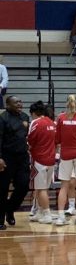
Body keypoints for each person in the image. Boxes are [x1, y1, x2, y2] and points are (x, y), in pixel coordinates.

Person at [54, 94, 76, 225]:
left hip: (65, 153)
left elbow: (57, 139)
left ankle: (61, 217)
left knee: (64, 186)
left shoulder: (61, 117)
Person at [0, 96, 30, 229]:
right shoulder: (3, 118)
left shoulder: (25, 116)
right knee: (2, 189)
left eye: (20, 101)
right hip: (6, 157)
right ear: (8, 105)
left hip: (22, 157)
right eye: (16, 102)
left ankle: (10, 209)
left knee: (24, 185)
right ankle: (0, 220)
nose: (19, 104)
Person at [27, 101, 57, 224]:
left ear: (34, 113)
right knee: (43, 188)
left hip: (39, 159)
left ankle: (47, 213)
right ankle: (40, 212)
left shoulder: (35, 122)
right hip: (51, 159)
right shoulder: (52, 122)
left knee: (41, 188)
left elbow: (30, 139)